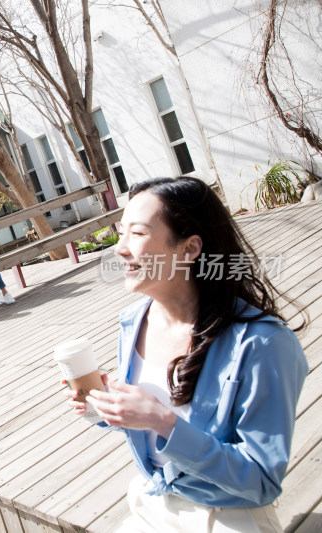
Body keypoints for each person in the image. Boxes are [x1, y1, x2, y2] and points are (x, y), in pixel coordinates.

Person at [66, 176, 308, 532]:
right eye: (120, 232)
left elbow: (260, 482)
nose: (119, 248)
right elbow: (155, 434)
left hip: (225, 517)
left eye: (138, 233)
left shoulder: (262, 344)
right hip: (153, 502)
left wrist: (162, 421)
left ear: (190, 249)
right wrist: (108, 408)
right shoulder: (134, 321)